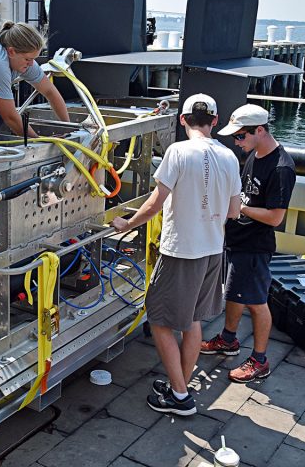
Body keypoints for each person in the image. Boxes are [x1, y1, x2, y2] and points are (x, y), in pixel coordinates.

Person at [112, 94, 241, 416]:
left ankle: (181, 397)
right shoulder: (229, 156)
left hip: (181, 251)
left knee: (159, 320)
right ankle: (178, 384)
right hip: (213, 249)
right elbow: (235, 211)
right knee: (192, 320)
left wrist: (126, 222)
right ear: (214, 120)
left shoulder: (178, 151)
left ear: (182, 120)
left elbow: (156, 203)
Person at [200, 104, 296, 383]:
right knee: (233, 293)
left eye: (241, 137)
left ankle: (260, 360)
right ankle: (229, 339)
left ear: (260, 130)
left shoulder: (281, 168)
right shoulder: (255, 154)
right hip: (238, 240)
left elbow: (276, 217)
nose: (237, 143)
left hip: (255, 245)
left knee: (256, 302)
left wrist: (239, 209)